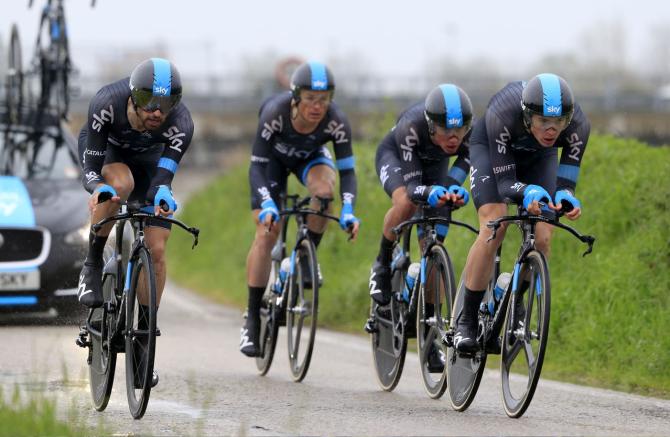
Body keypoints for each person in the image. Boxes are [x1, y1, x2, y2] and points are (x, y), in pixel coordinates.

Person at [76, 58, 194, 386]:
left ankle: (143, 341)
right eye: (147, 101)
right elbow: (91, 172)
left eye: (165, 104)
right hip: (109, 156)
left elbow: (162, 179)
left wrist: (163, 194)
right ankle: (92, 265)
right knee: (120, 186)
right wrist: (99, 187)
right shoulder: (106, 104)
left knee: (156, 248)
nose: (156, 111)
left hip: (149, 163)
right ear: (132, 97)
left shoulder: (182, 123)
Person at [453, 73, 590, 353]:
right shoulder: (503, 112)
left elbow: (565, 184)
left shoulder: (578, 126)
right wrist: (527, 191)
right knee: (495, 225)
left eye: (558, 123)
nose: (552, 130)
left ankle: (515, 301)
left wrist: (566, 197)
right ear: (528, 116)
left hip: (540, 157)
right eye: (543, 121)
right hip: (492, 153)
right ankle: (466, 322)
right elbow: (505, 184)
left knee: (543, 237)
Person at [240, 61, 360, 357]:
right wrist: (267, 203)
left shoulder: (336, 121)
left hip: (310, 158)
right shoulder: (274, 114)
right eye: (310, 99)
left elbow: (348, 173)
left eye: (323, 99)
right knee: (268, 231)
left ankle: (306, 254)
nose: (317, 107)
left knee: (324, 192)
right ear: (296, 97)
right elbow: (256, 168)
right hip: (272, 165)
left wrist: (348, 209)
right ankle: (252, 318)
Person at [368, 84, 473, 307]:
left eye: (460, 130)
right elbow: (413, 187)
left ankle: (429, 321)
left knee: (434, 244)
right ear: (431, 126)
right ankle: (382, 263)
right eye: (445, 130)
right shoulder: (411, 126)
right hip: (397, 159)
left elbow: (452, 181)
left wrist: (452, 191)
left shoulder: (470, 134)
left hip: (434, 166)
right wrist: (429, 191)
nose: (454, 138)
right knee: (406, 202)